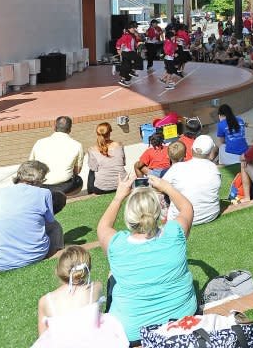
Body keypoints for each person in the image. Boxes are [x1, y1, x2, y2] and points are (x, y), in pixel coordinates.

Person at [97, 174, 197, 344]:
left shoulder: (117, 244)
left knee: (112, 274)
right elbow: (187, 207)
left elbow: (103, 226)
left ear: (129, 216)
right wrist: (166, 187)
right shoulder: (174, 232)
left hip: (133, 331)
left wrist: (118, 197)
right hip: (184, 317)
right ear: (157, 211)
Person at [0, 160, 64, 272]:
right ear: (40, 180)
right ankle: (57, 254)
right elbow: (49, 220)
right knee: (55, 226)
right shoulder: (44, 193)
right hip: (34, 256)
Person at [34, 245, 128, 347]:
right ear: (87, 269)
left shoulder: (45, 301)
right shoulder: (95, 288)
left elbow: (42, 338)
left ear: (59, 270)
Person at [162, 135, 221, 225]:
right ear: (210, 153)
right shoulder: (214, 168)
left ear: (192, 149)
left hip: (181, 219)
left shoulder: (177, 167)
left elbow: (159, 187)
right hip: (211, 215)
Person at [29, 116, 85, 195]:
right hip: (64, 187)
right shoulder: (77, 145)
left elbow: (30, 165)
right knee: (78, 180)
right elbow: (77, 171)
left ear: (55, 127)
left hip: (41, 185)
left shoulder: (39, 142)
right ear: (70, 129)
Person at [87, 122, 126, 194]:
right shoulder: (119, 145)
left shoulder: (92, 150)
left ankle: (90, 194)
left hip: (101, 188)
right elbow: (123, 163)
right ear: (110, 132)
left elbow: (93, 168)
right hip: (123, 184)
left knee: (91, 170)